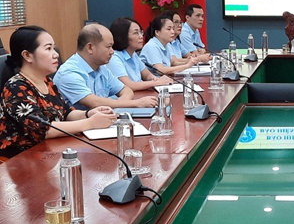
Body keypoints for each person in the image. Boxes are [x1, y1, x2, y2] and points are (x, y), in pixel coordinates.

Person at [0, 26, 116, 159]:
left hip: (50, 152)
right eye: (48, 49)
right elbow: (43, 129)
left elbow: (67, 113)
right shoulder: (16, 87)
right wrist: (91, 123)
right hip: (20, 160)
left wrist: (89, 113)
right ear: (27, 55)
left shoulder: (47, 82)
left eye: (54, 48)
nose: (56, 54)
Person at [54, 24, 158, 109]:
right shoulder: (69, 73)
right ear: (90, 47)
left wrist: (121, 103)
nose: (112, 51)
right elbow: (93, 102)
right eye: (108, 47)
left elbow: (126, 90)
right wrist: (135, 103)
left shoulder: (102, 68)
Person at [108, 17, 173, 91]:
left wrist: (154, 79)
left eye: (141, 32)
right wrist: (157, 82)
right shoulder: (114, 58)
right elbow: (129, 85)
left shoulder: (133, 55)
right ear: (122, 36)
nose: (141, 36)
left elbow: (147, 75)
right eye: (136, 33)